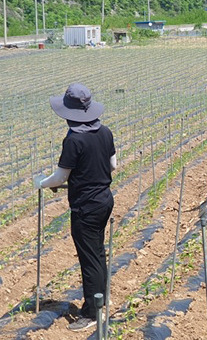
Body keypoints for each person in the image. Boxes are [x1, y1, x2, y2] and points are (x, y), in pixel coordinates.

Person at [33, 83, 116, 332]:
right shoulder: (106, 132)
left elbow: (59, 178)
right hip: (104, 200)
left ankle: (92, 312)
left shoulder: (73, 140)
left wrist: (42, 183)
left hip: (85, 208)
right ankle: (102, 299)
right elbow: (113, 165)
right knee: (97, 253)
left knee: (89, 258)